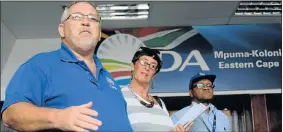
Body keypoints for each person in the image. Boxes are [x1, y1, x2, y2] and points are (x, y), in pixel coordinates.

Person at [1, 1, 132, 132]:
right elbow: (10, 114)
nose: (86, 22)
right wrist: (58, 117)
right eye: (76, 17)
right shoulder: (40, 65)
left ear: (99, 34)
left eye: (93, 18)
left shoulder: (110, 79)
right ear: (62, 30)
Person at [121, 47, 193, 132]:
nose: (147, 68)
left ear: (154, 75)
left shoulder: (160, 103)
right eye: (144, 62)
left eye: (153, 66)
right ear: (132, 66)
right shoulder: (119, 95)